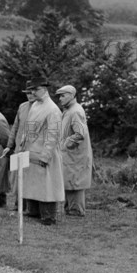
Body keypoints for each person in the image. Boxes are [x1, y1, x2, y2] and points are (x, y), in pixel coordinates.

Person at [20, 77, 64, 225]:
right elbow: (29, 128)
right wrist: (23, 145)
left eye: (35, 89)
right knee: (32, 184)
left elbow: (53, 136)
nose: (32, 92)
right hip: (31, 149)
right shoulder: (35, 106)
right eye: (31, 90)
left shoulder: (53, 110)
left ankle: (48, 216)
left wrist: (45, 156)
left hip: (45, 152)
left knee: (47, 186)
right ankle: (33, 211)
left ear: (44, 90)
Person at [56, 85, 93, 217]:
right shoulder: (69, 110)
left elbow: (80, 134)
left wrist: (65, 145)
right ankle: (70, 210)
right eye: (59, 96)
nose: (60, 98)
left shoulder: (75, 111)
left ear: (72, 95)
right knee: (70, 182)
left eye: (63, 95)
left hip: (75, 156)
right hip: (70, 156)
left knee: (75, 183)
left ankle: (76, 212)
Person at [0, 84, 37, 211]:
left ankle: (31, 208)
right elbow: (15, 127)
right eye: (27, 93)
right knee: (16, 177)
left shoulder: (42, 108)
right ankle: (18, 205)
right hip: (18, 149)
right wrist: (9, 146)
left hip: (32, 149)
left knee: (30, 178)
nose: (30, 95)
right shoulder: (22, 106)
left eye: (32, 92)